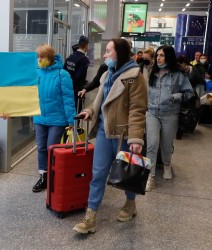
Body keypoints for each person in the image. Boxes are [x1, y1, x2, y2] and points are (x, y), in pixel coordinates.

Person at [73, 38, 148, 234]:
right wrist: (90, 110)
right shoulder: (107, 74)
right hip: (104, 132)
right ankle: (90, 216)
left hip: (124, 135)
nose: (104, 55)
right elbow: (100, 100)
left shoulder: (135, 76)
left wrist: (135, 139)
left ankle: (130, 204)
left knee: (126, 174)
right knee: (97, 174)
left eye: (108, 51)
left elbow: (137, 110)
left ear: (119, 53)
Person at [145, 46, 194, 192]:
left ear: (169, 57)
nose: (158, 58)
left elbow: (189, 93)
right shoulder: (152, 73)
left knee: (166, 145)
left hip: (170, 114)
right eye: (157, 55)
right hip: (152, 112)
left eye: (162, 55)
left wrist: (175, 96)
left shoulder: (178, 75)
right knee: (152, 144)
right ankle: (150, 176)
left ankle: (167, 165)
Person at [32, 44, 76, 193]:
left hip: (57, 119)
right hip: (39, 117)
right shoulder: (36, 73)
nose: (39, 59)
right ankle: (43, 177)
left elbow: (68, 98)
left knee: (52, 148)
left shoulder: (62, 74)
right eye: (38, 57)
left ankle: (53, 176)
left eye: (42, 57)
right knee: (41, 148)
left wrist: (71, 119)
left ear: (50, 58)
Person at [63, 35, 90, 112]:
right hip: (77, 90)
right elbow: (79, 76)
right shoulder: (84, 60)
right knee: (76, 111)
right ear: (86, 46)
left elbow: (64, 71)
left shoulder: (70, 57)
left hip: (66, 88)